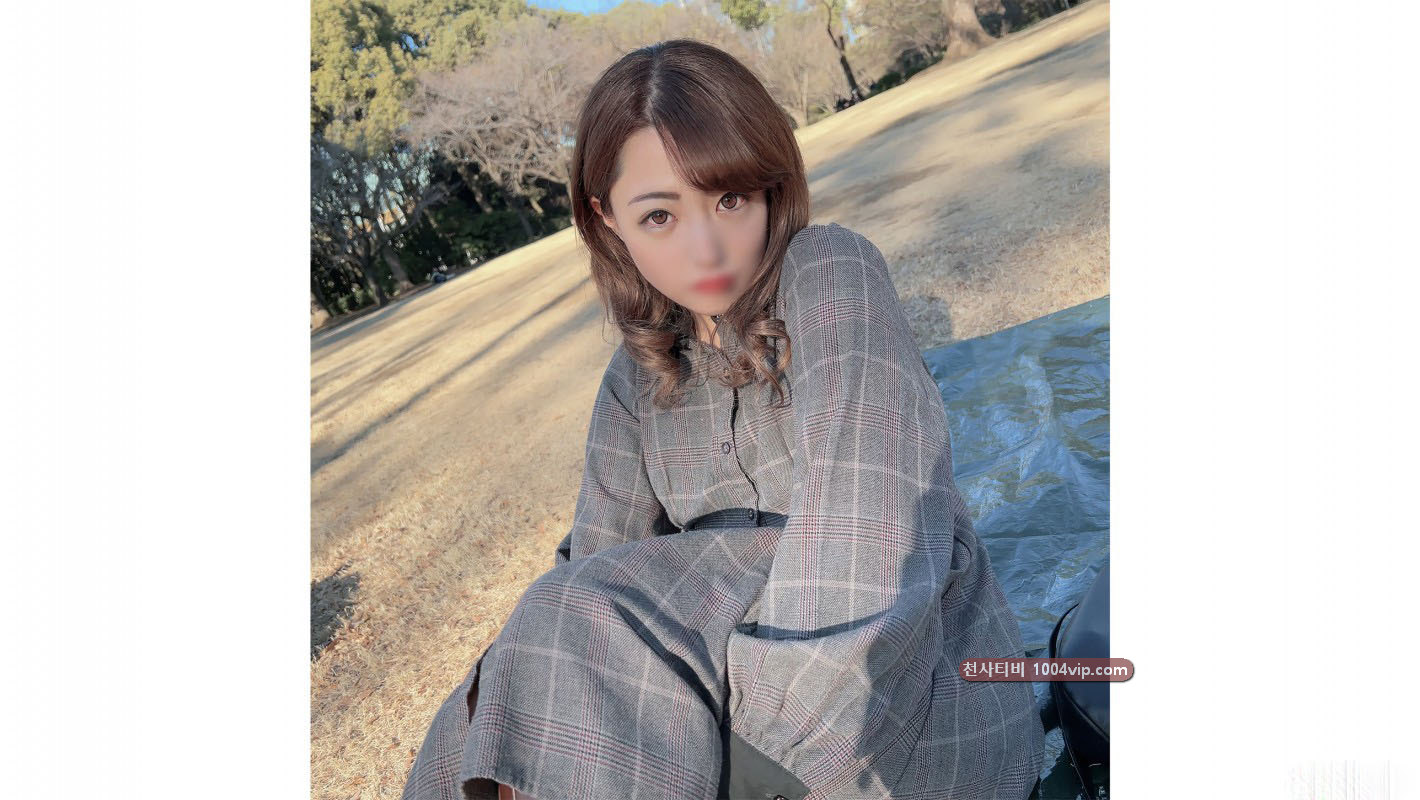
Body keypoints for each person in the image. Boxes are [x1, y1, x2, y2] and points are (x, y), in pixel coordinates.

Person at [402, 39, 1045, 800]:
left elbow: (870, 528)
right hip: (716, 707)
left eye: (729, 200)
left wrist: (754, 765)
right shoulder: (635, 379)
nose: (705, 248)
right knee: (509, 682)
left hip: (899, 714)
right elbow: (600, 566)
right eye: (659, 216)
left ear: (770, 187)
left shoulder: (828, 272)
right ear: (607, 221)